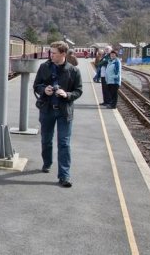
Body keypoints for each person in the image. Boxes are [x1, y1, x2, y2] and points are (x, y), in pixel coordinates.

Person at [33, 40, 83, 188]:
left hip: (64, 112)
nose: (51, 55)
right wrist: (44, 90)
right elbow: (36, 85)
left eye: (54, 53)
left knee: (64, 143)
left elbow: (78, 91)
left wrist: (67, 94)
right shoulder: (44, 67)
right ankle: (47, 163)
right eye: (51, 52)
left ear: (63, 54)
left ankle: (64, 176)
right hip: (47, 110)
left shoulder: (73, 71)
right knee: (46, 140)